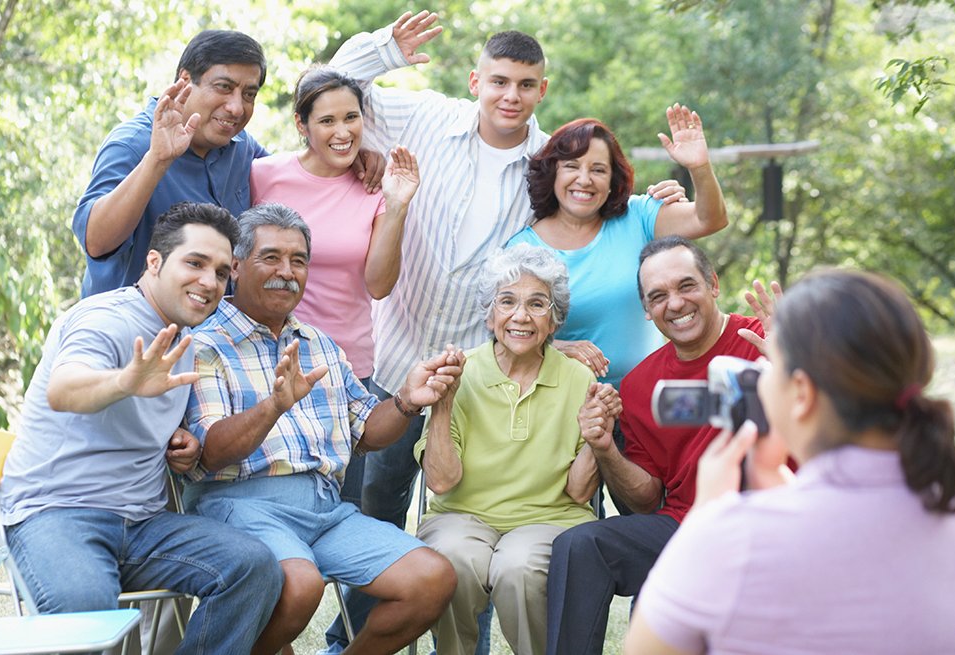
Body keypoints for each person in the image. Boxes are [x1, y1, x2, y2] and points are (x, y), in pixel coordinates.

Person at [326, 13, 685, 650]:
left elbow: (579, 228)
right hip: (399, 360)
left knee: (490, 551)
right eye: (498, 81)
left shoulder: (547, 166)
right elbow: (328, 88)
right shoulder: (427, 118)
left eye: (525, 84)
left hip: (478, 370)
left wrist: (647, 200)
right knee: (375, 519)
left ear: (542, 90)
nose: (510, 96)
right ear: (475, 80)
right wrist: (385, 50)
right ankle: (347, 641)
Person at [624, 269, 955, 655]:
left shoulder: (734, 540)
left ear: (801, 392)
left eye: (771, 366)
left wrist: (705, 521)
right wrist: (770, 476)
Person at [0, 202, 282, 654]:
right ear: (154, 262)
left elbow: (147, 421)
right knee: (86, 610)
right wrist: (124, 381)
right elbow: (64, 389)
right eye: (195, 263)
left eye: (222, 272)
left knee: (253, 567)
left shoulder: (181, 331)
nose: (210, 282)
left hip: (143, 521)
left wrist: (182, 443)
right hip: (58, 511)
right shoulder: (106, 319)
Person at [182, 203, 460, 655]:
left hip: (326, 509)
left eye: (298, 260)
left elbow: (367, 432)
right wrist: (274, 406)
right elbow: (212, 452)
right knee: (300, 584)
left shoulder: (320, 344)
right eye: (270, 257)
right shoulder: (204, 344)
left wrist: (407, 401)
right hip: (238, 506)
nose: (286, 272)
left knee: (431, 579)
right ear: (235, 266)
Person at [544, 236, 765, 655]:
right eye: (658, 296)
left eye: (687, 286)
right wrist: (605, 446)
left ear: (713, 283)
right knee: (578, 545)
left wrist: (794, 361)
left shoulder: (765, 341)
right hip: (685, 526)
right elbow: (646, 501)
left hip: (768, 523)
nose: (676, 304)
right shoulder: (641, 385)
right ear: (646, 310)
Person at [414, 244, 619, 654]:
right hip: (462, 514)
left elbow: (580, 493)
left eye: (537, 304)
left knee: (518, 569)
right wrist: (443, 404)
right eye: (507, 301)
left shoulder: (580, 378)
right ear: (490, 315)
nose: (521, 316)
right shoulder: (460, 371)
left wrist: (598, 436)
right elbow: (440, 480)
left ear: (555, 319)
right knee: (452, 558)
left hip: (549, 519)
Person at [71, 30, 383, 298]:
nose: (236, 107)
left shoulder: (240, 146)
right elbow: (96, 243)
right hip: (130, 345)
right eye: (223, 87)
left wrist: (351, 156)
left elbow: (297, 174)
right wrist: (157, 161)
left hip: (211, 347)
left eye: (249, 94)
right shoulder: (134, 143)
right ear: (184, 81)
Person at [250, 66, 420, 509]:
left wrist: (398, 206)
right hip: (268, 362)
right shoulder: (263, 176)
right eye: (327, 121)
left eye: (351, 117)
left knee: (343, 503)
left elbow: (379, 285)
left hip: (346, 366)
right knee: (271, 496)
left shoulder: (376, 187)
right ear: (301, 125)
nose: (343, 132)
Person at [507, 109, 728, 389]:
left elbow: (710, 218)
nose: (585, 180)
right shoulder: (522, 249)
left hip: (647, 399)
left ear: (612, 181)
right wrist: (555, 348)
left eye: (598, 170)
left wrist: (699, 166)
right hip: (570, 408)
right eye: (572, 167)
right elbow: (506, 337)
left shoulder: (638, 216)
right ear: (553, 173)